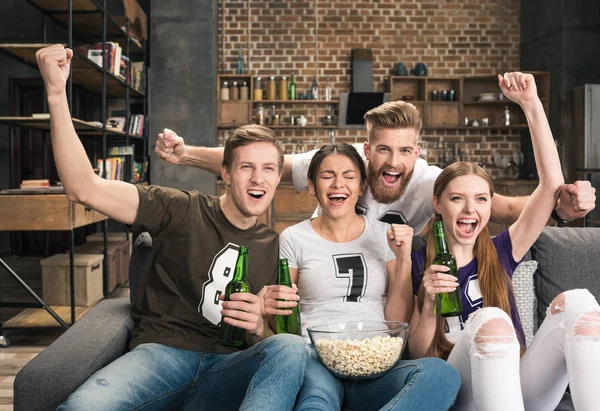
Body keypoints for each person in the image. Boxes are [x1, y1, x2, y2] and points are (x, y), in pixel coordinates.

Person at [36, 44, 309, 411]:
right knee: (83, 407)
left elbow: (268, 344)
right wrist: (56, 93)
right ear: (225, 173)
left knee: (291, 347)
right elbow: (84, 188)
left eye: (269, 168)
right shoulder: (180, 208)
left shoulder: (279, 247)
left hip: (228, 369)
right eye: (246, 167)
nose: (258, 178)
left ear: (279, 178)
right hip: (160, 359)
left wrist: (258, 325)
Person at [409, 72, 600, 411]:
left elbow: (550, 186)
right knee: (491, 320)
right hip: (461, 391)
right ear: (437, 204)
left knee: (580, 304)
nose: (471, 209)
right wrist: (426, 300)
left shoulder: (500, 251)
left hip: (518, 385)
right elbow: (419, 355)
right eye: (458, 199)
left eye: (482, 199)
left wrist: (531, 104)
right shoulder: (419, 259)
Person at [154, 104, 595, 235]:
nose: (393, 162)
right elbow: (263, 165)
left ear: (417, 152)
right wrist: (186, 154)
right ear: (368, 150)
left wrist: (561, 206)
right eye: (383, 150)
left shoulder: (430, 181)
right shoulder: (343, 168)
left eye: (404, 152)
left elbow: (500, 208)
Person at [263, 143, 461, 410]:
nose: (338, 184)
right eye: (327, 175)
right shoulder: (294, 238)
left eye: (348, 176)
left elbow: (398, 320)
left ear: (362, 186)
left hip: (376, 361)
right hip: (318, 359)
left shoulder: (385, 235)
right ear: (311, 185)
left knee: (442, 375)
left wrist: (403, 259)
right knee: (316, 403)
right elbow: (284, 313)